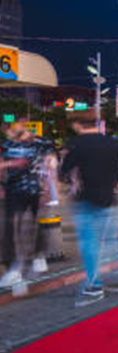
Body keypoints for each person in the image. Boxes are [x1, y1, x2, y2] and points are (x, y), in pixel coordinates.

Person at [60, 116, 118, 306]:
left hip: (86, 197)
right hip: (108, 196)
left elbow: (65, 170)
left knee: (89, 243)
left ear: (78, 125)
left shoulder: (77, 144)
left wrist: (71, 185)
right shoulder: (114, 144)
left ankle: (94, 286)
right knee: (110, 240)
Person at [0, 121, 56, 294]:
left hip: (33, 191)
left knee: (29, 227)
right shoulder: (6, 146)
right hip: (11, 191)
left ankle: (34, 259)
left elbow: (49, 161)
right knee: (11, 230)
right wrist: (9, 166)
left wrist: (49, 189)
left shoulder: (38, 144)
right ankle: (15, 273)